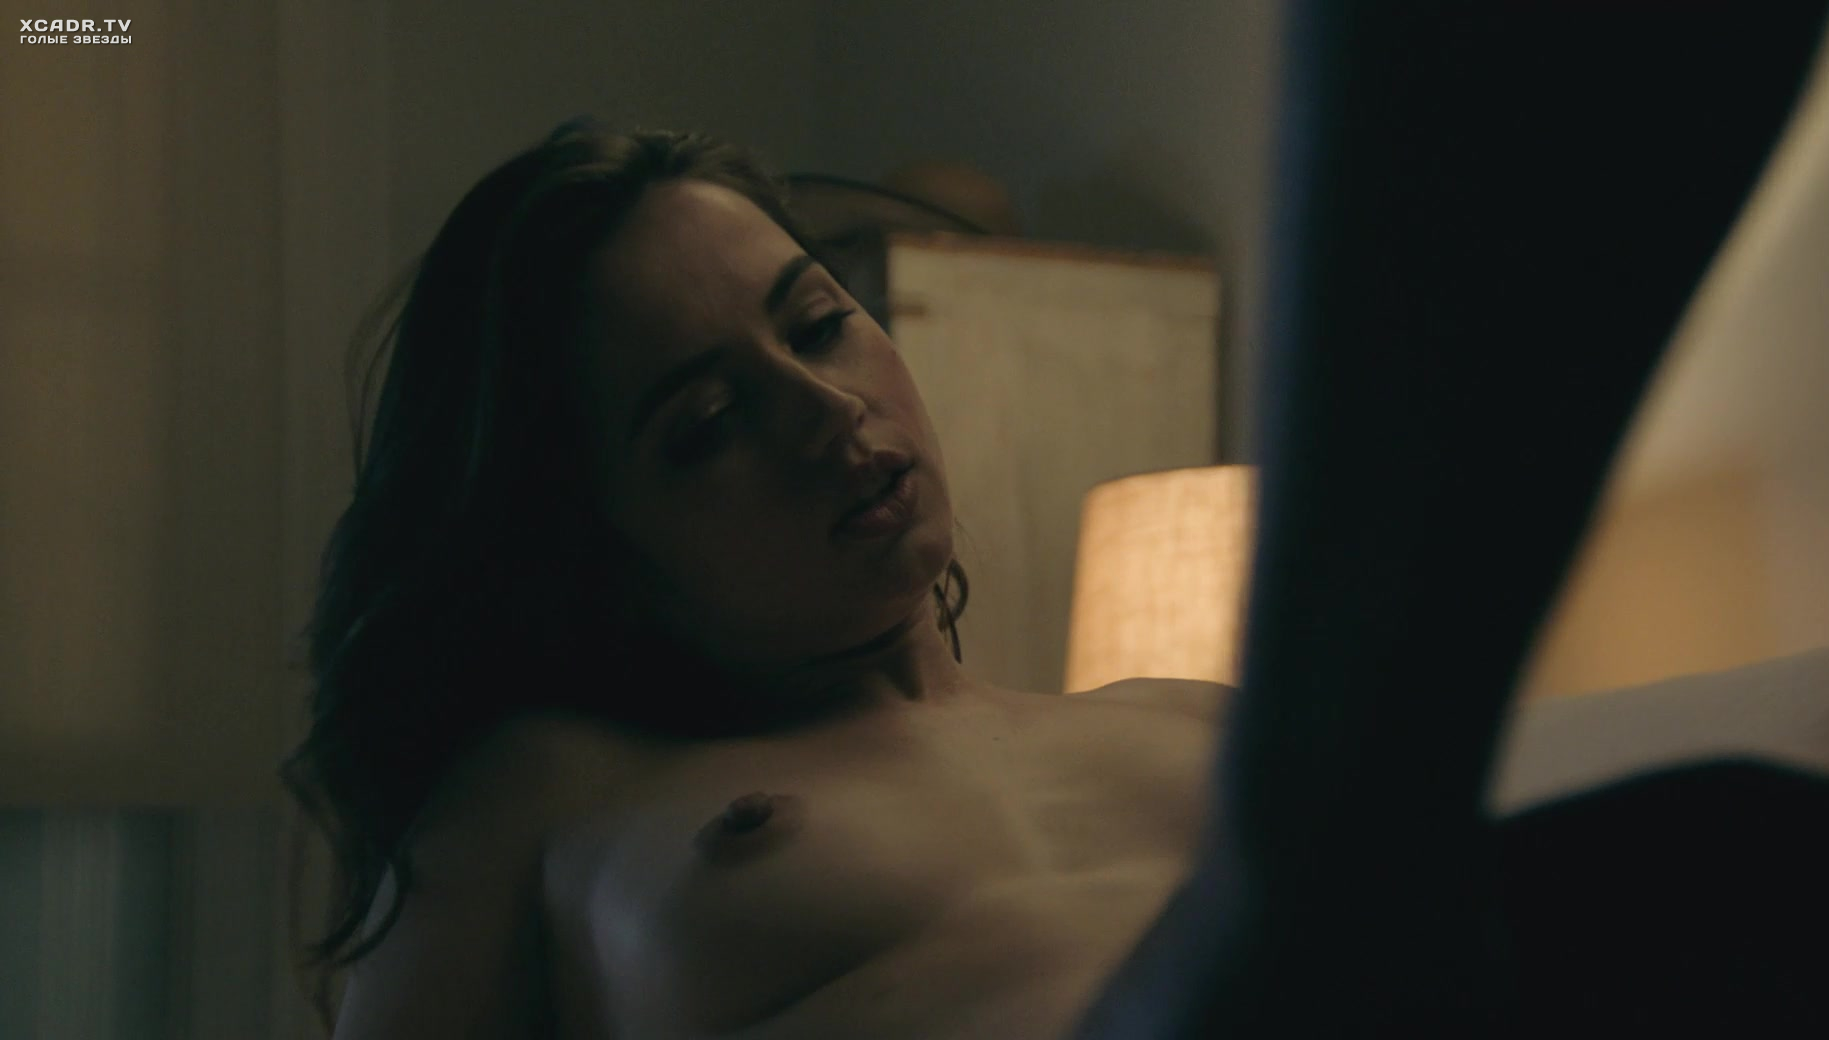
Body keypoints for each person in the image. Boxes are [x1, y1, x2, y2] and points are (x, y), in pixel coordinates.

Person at [283, 124, 1234, 1040]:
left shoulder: (1205, 721)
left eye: (818, 326)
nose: (827, 407)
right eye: (707, 422)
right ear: (591, 547)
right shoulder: (548, 795)